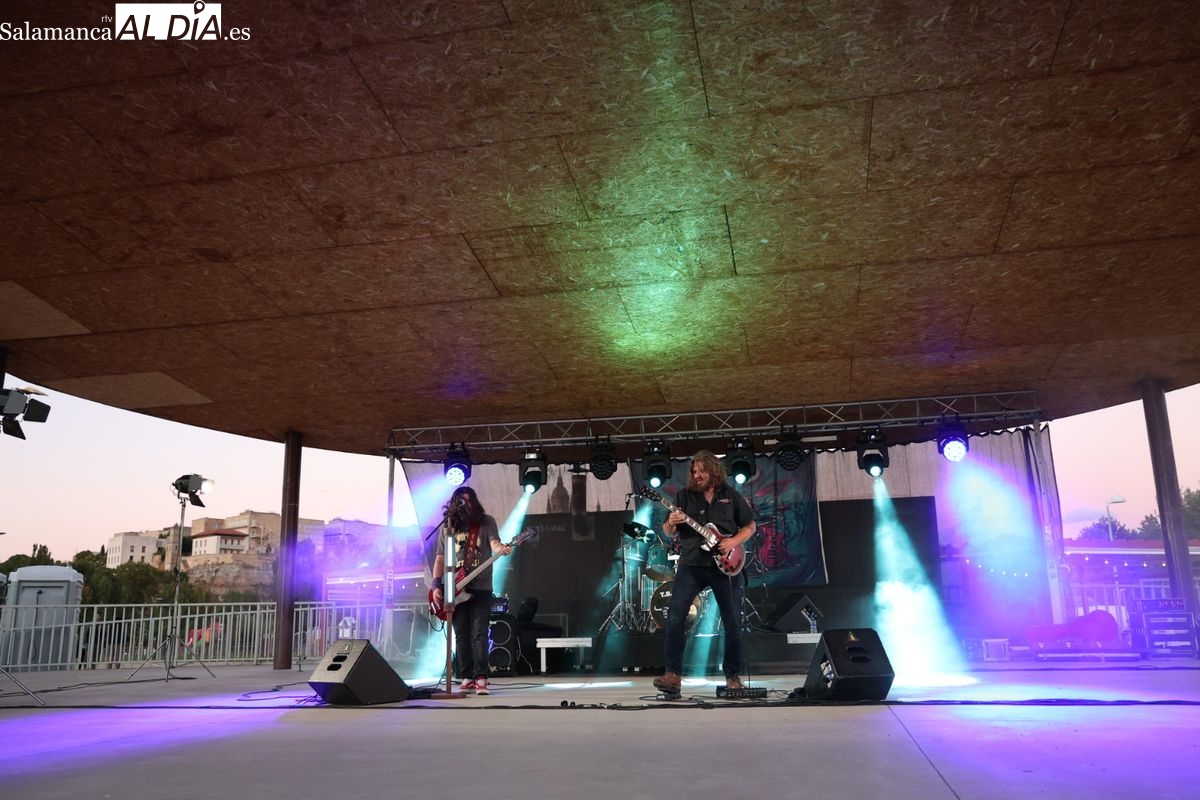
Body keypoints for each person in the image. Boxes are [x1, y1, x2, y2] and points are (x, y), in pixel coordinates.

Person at [653, 450, 756, 696]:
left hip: (725, 568)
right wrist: (671, 521)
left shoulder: (731, 496)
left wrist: (732, 543)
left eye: (702, 471)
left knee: (732, 623)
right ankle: (673, 675)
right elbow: (667, 531)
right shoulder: (684, 496)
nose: (697, 475)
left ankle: (732, 676)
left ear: (714, 470)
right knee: (676, 615)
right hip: (692, 565)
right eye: (694, 471)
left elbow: (750, 526)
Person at [430, 486, 512, 695]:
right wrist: (435, 585)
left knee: (479, 633)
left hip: (481, 586)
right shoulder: (448, 527)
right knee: (461, 635)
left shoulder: (486, 522)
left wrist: (500, 547)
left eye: (469, 500)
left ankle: (481, 677)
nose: (466, 504)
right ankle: (466, 676)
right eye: (461, 500)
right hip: (453, 588)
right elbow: (440, 557)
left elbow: (493, 542)